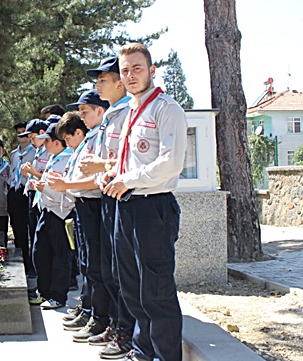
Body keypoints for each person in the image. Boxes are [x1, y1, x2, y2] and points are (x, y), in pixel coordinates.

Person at [102, 42, 187, 361]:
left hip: (153, 208)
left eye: (137, 68)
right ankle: (142, 350)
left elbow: (171, 163)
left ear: (152, 70)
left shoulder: (167, 109)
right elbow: (129, 163)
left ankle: (166, 356)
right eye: (125, 71)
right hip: (125, 206)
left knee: (157, 292)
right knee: (131, 287)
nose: (130, 75)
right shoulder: (130, 114)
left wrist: (127, 179)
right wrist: (112, 175)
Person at [82, 56, 136, 360]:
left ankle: (126, 332)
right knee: (111, 269)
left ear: (119, 82)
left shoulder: (128, 112)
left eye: (102, 79)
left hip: (126, 199)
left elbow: (126, 160)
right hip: (108, 197)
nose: (97, 84)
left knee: (124, 271)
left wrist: (102, 167)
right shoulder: (112, 116)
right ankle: (117, 324)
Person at [52, 90, 112, 342]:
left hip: (94, 205)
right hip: (82, 206)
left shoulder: (98, 137)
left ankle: (99, 316)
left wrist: (66, 185)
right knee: (87, 263)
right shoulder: (89, 141)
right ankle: (88, 309)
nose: (82, 117)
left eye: (85, 111)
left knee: (96, 265)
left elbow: (98, 178)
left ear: (100, 110)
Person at [29, 123, 75, 310]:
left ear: (57, 142)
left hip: (60, 213)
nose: (44, 144)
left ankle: (58, 295)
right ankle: (45, 292)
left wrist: (44, 188)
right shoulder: (52, 158)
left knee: (60, 256)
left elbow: (68, 193)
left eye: (47, 141)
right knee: (40, 254)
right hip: (45, 210)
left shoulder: (68, 160)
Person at [19, 119, 51, 305]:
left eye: (32, 137)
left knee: (43, 248)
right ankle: (42, 286)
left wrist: (34, 173)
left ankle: (47, 289)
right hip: (35, 198)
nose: (31, 141)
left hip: (48, 202)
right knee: (36, 244)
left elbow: (49, 176)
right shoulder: (39, 150)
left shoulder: (50, 150)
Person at [7, 121, 35, 274]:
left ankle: (33, 262)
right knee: (18, 228)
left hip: (28, 190)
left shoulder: (35, 151)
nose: (21, 135)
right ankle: (22, 260)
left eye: (24, 132)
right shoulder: (14, 154)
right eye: (19, 133)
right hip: (15, 192)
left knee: (32, 227)